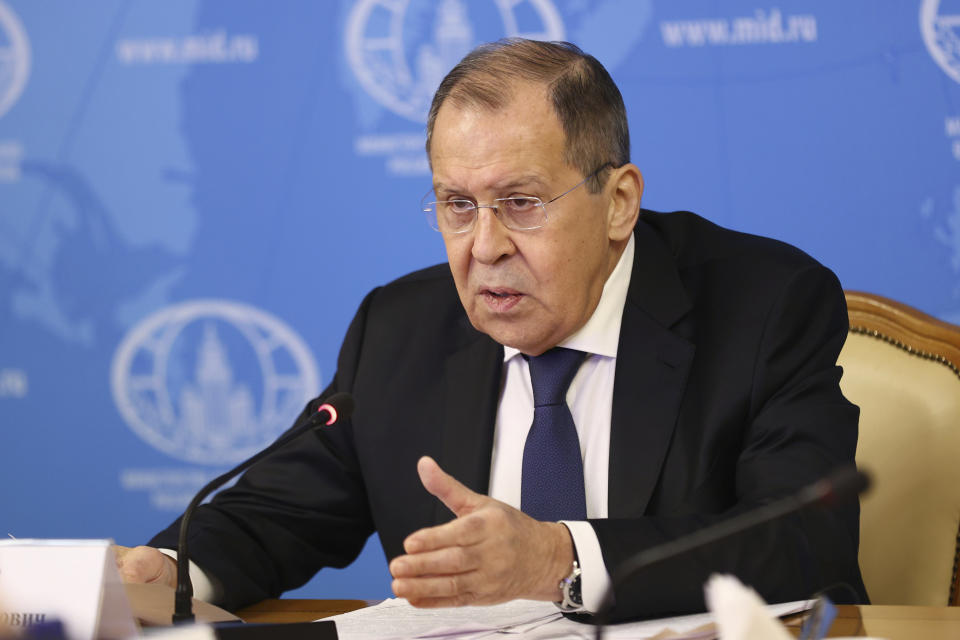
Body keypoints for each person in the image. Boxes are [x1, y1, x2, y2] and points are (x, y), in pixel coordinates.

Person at [116, 39, 867, 621]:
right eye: (457, 204)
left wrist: (559, 559)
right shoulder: (400, 329)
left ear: (619, 202)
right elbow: (279, 512)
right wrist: (177, 570)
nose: (484, 247)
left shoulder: (765, 307)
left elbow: (804, 543)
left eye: (521, 202)